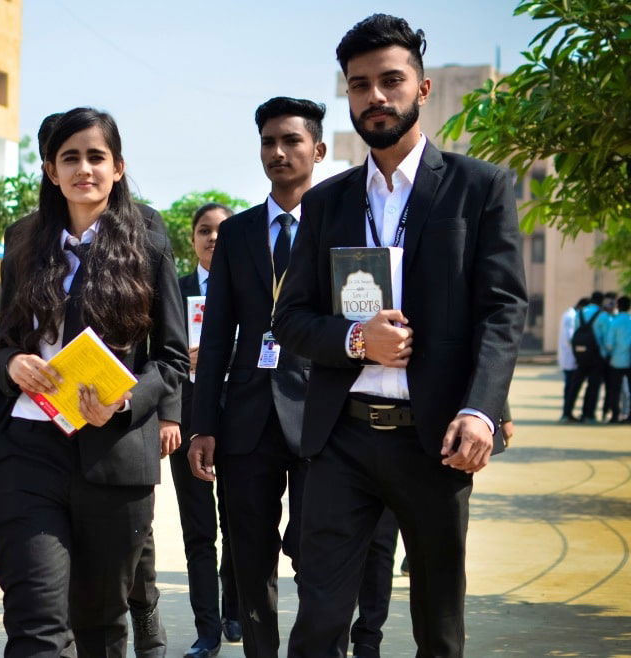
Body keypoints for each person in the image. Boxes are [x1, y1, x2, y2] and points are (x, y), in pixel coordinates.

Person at [273, 14, 527, 657]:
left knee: (437, 624)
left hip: (435, 438)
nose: (375, 97)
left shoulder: (480, 188)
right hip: (342, 440)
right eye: (359, 85)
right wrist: (358, 340)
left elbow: (502, 310)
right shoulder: (327, 202)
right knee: (319, 621)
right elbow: (291, 319)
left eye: (391, 80)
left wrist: (482, 409)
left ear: (423, 88)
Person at [0, 107, 188, 656]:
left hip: (114, 459)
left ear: (118, 167)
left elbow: (172, 359)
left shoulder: (147, 237)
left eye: (96, 157)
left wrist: (125, 402)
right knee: (35, 623)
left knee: (101, 627)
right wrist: (11, 365)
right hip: (28, 450)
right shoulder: (24, 238)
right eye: (69, 158)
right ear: (51, 170)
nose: (84, 169)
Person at [186, 96, 324, 657]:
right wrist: (203, 426)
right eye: (268, 141)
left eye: (291, 141)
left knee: (318, 550)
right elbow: (216, 335)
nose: (279, 152)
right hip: (245, 418)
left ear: (316, 148)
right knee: (249, 553)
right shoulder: (238, 233)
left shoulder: (339, 222)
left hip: (321, 414)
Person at [172, 202, 241, 657]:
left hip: (242, 421)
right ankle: (208, 629)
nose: (213, 238)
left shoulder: (254, 287)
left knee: (239, 526)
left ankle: (234, 608)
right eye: (204, 230)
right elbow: (155, 350)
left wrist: (222, 357)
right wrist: (185, 360)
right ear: (193, 239)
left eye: (221, 230)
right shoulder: (174, 291)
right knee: (199, 531)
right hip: (189, 419)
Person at [571, 291, 610, 423]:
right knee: (593, 387)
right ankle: (588, 414)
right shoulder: (603, 316)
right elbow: (606, 339)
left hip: (581, 355)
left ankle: (567, 412)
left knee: (575, 385)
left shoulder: (579, 313)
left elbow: (575, 332)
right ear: (601, 301)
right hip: (596, 356)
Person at [559, 297, 589, 422]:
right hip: (571, 357)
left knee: (569, 386)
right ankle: (567, 413)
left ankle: (567, 413)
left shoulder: (568, 314)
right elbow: (572, 338)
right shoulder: (572, 316)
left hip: (568, 357)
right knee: (570, 387)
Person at [603, 296, 631, 423]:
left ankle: (615, 414)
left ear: (618, 307)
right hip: (629, 361)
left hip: (616, 361)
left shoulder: (614, 322)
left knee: (614, 389)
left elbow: (609, 343)